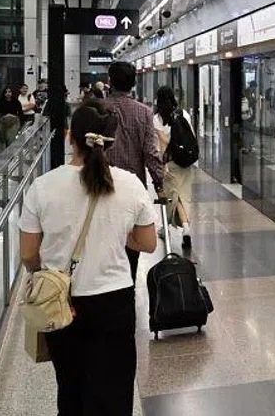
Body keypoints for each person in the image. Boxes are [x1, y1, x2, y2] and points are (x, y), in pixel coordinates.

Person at [19, 100, 157, 416]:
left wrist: (43, 272)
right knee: (114, 388)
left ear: (70, 137)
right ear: (111, 141)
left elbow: (28, 253)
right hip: (114, 301)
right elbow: (148, 243)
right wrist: (117, 235)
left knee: (70, 385)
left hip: (62, 301)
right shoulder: (129, 184)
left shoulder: (43, 187)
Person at [104, 61, 166, 279]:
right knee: (132, 244)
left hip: (100, 184)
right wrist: (160, 183)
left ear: (110, 81)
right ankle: (127, 288)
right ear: (133, 83)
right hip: (133, 189)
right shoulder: (143, 112)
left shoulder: (97, 109)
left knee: (104, 241)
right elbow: (151, 152)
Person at [153, 86, 195, 248]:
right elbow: (191, 135)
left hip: (171, 162)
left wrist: (164, 165)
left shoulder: (158, 118)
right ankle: (185, 227)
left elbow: (163, 142)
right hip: (186, 161)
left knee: (174, 196)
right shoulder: (184, 114)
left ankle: (172, 227)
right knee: (183, 195)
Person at [0, 87, 22, 155]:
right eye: (6, 92)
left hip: (13, 122)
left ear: (12, 93)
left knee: (11, 139)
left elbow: (20, 113)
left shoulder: (16, 101)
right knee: (2, 140)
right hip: (3, 122)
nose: (8, 94)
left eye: (9, 92)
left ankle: (11, 156)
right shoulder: (1, 102)